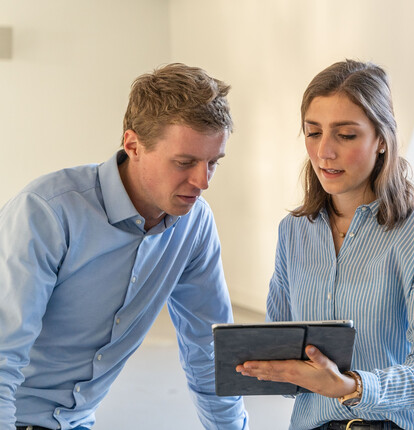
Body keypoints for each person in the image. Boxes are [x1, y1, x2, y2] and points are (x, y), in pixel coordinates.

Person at [0, 63, 248, 430]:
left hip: (76, 421)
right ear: (133, 145)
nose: (202, 181)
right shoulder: (47, 212)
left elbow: (208, 351)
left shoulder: (195, 224)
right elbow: (3, 353)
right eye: (185, 162)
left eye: (213, 162)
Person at [235, 60, 414, 430]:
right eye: (313, 132)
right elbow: (282, 348)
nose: (324, 151)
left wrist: (351, 386)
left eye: (345, 135)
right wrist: (266, 367)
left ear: (381, 141)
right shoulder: (293, 232)